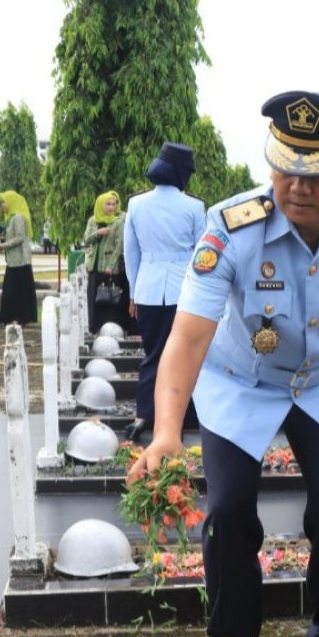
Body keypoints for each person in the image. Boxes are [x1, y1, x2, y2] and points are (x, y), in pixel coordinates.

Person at [128, 90, 319, 637]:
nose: (296, 187)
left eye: (315, 173)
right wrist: (168, 431)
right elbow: (188, 336)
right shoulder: (231, 228)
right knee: (227, 513)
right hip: (240, 382)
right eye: (284, 167)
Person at [122, 142, 206, 442]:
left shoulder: (136, 204)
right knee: (187, 353)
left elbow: (131, 255)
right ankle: (184, 416)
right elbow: (203, 257)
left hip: (148, 288)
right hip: (185, 291)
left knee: (153, 353)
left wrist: (133, 292)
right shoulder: (194, 206)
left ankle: (144, 414)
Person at [83, 191, 133, 334]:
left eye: (114, 204)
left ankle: (114, 330)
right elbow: (86, 240)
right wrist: (98, 233)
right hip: (94, 266)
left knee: (111, 298)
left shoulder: (119, 221)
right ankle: (96, 329)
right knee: (94, 298)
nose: (111, 207)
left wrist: (111, 265)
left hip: (110, 268)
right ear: (101, 204)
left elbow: (120, 245)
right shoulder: (93, 220)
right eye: (108, 204)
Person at [0, 190, 38, 326]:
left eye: (3, 203)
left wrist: (3, 245)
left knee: (17, 291)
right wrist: (1, 239)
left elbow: (19, 238)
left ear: (11, 202)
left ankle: (20, 318)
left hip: (20, 261)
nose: (2, 207)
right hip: (14, 261)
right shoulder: (11, 218)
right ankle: (10, 316)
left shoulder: (18, 217)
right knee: (11, 291)